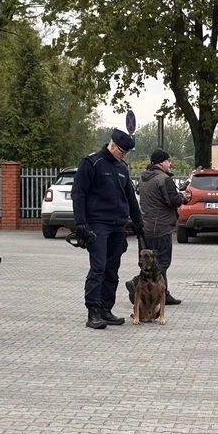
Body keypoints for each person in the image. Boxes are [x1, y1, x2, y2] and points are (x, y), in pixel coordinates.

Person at [72, 128, 145, 329]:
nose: (124, 155)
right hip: (98, 224)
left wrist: (138, 223)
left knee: (112, 269)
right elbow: (79, 193)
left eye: (126, 152)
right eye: (121, 151)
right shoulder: (92, 163)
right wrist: (81, 224)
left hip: (118, 225)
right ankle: (93, 311)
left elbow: (129, 197)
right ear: (112, 145)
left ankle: (106, 308)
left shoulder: (122, 168)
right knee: (98, 268)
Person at [130, 148, 185, 306]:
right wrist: (183, 198)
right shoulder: (164, 179)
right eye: (168, 161)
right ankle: (137, 283)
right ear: (161, 162)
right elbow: (172, 200)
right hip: (161, 226)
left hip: (146, 226)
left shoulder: (143, 178)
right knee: (162, 262)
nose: (170, 163)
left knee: (150, 261)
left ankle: (162, 293)